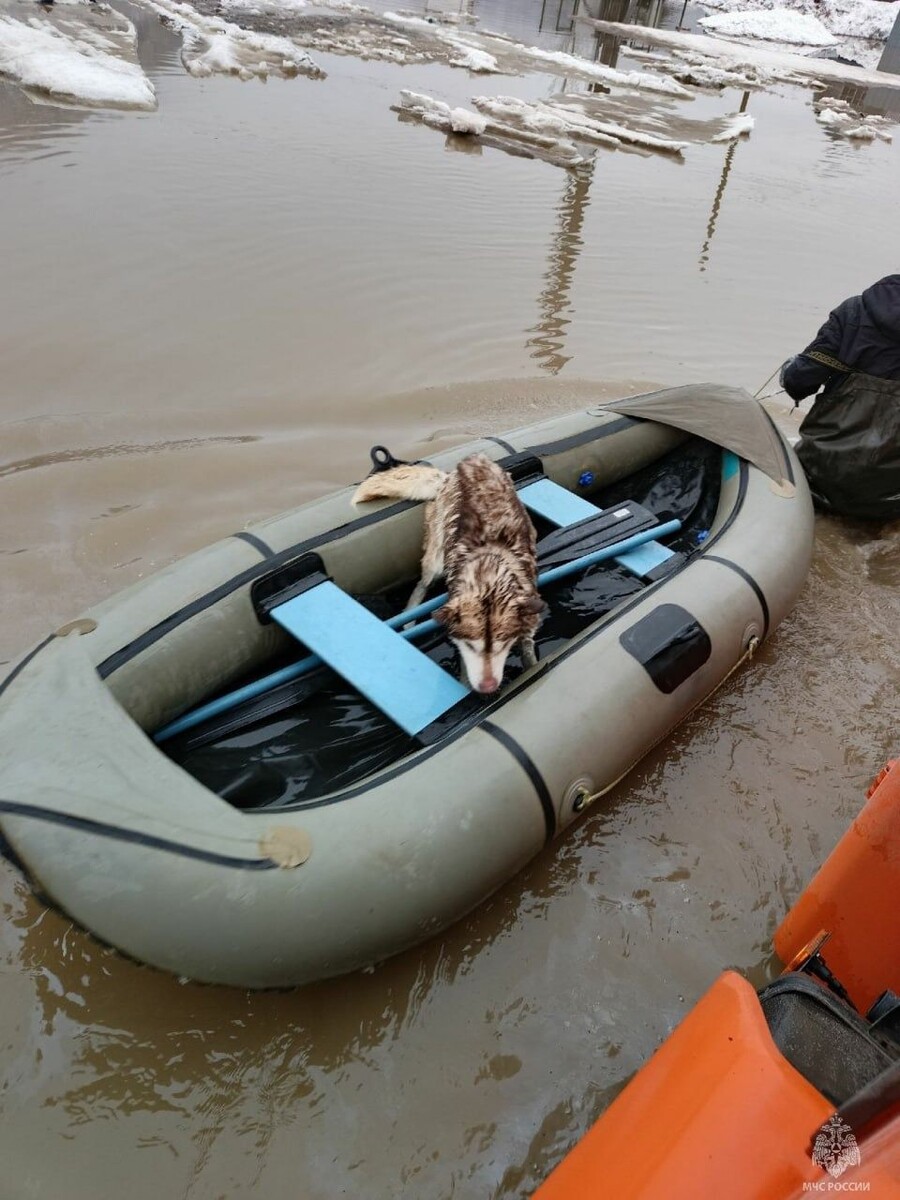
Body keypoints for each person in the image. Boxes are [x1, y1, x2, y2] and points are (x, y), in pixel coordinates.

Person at [780, 274, 900, 520]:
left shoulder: (854, 311)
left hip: (818, 475)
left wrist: (789, 370)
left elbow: (799, 382)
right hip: (889, 496)